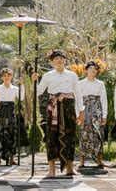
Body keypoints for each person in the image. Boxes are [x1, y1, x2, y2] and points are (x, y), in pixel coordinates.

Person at [32, 49, 84, 178]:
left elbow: (77, 93)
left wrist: (81, 111)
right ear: (52, 62)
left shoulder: (72, 75)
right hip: (53, 107)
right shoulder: (48, 75)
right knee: (51, 136)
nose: (59, 60)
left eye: (61, 58)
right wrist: (33, 81)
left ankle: (70, 168)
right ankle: (51, 169)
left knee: (70, 135)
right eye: (56, 58)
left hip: (68, 107)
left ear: (65, 60)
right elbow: (38, 92)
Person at [78, 61, 108, 168]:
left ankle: (99, 160)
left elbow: (104, 100)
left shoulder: (101, 84)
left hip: (97, 111)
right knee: (84, 134)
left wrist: (104, 115)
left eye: (95, 69)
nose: (93, 70)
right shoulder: (80, 83)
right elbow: (78, 99)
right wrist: (78, 114)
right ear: (86, 70)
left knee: (98, 133)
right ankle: (82, 161)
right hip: (84, 109)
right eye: (90, 68)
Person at [0, 68, 24, 166]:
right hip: (0, 113)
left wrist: (22, 85)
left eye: (8, 75)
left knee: (12, 135)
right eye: (4, 76)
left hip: (11, 113)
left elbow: (22, 97)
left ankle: (11, 158)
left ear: (11, 76)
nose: (6, 78)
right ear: (1, 77)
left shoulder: (15, 88)